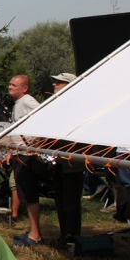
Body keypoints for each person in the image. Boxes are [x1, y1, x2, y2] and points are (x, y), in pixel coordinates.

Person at [48, 72, 84, 245]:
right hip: (61, 161)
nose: (54, 84)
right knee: (61, 200)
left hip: (73, 162)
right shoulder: (60, 105)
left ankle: (72, 238)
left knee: (71, 202)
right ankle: (64, 235)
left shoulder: (77, 108)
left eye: (59, 82)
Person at [5, 75, 41, 226]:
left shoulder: (27, 100)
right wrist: (10, 151)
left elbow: (43, 113)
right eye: (10, 84)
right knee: (22, 190)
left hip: (26, 154)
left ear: (25, 88)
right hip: (18, 153)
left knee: (29, 193)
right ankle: (33, 229)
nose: (10, 87)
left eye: (14, 85)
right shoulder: (17, 103)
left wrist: (37, 138)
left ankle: (35, 231)